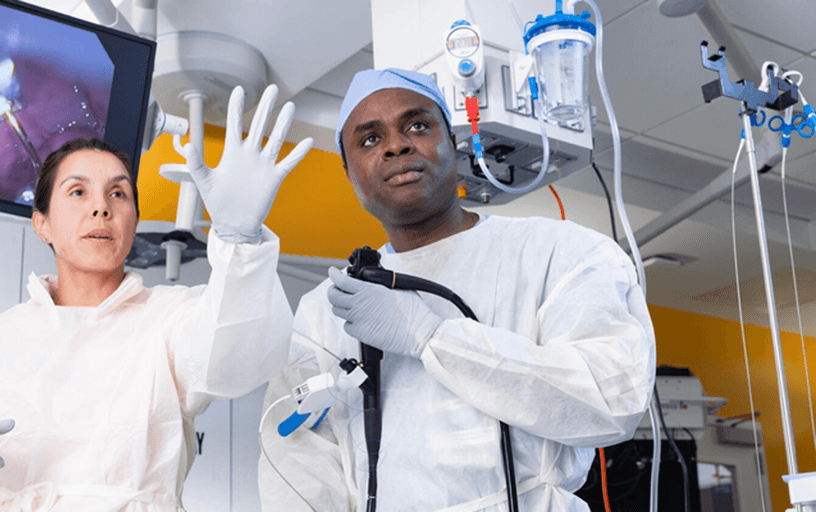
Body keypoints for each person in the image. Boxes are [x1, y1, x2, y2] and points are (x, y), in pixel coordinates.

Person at [0, 84, 313, 512]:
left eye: (118, 194)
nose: (102, 208)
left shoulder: (170, 322)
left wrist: (239, 242)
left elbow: (240, 359)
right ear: (42, 224)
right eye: (78, 192)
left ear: (133, 221)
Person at [257, 69, 656, 511]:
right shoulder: (324, 313)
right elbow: (297, 462)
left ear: (454, 142)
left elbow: (612, 399)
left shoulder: (562, 255)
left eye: (418, 126)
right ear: (349, 172)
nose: (396, 145)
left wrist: (432, 338)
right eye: (369, 140)